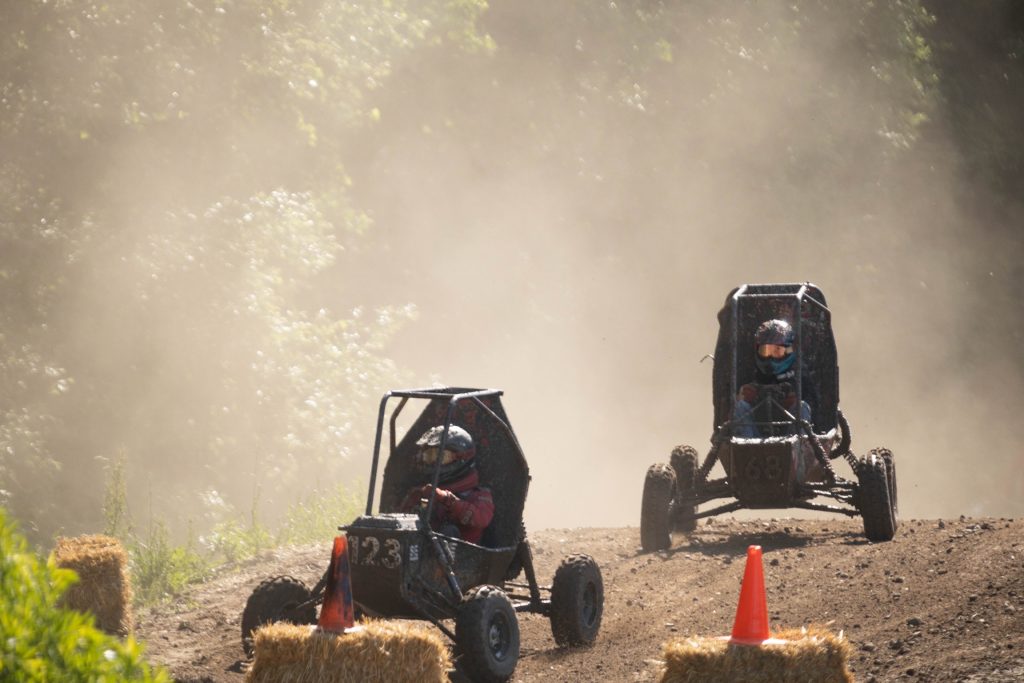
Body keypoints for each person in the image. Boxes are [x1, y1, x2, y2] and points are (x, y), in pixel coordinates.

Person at [400, 425, 494, 544]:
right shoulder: (422, 492)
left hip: (463, 558)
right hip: (420, 554)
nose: (434, 462)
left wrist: (447, 499)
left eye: (441, 456)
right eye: (430, 456)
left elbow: (482, 518)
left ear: (461, 458)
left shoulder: (478, 494)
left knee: (449, 531)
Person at [733, 319, 816, 437]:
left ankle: (798, 450)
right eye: (766, 351)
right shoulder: (748, 371)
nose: (770, 357)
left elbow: (815, 410)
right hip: (754, 436)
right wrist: (743, 397)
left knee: (801, 407)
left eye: (777, 351)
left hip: (791, 438)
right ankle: (745, 449)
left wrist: (792, 401)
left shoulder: (800, 375)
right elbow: (731, 409)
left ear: (788, 350)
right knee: (740, 406)